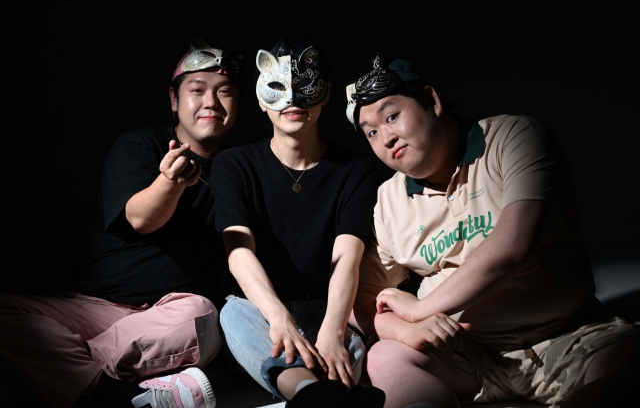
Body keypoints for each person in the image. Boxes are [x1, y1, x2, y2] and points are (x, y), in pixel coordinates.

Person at [345, 53, 640, 408]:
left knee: (627, 366)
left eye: (392, 117)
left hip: (569, 335)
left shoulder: (513, 137)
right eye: (372, 132)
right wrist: (406, 329)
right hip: (467, 354)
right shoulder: (389, 200)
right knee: (385, 357)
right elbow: (358, 301)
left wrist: (417, 309)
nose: (386, 138)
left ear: (432, 101)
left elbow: (512, 246)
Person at [0, 37, 245, 408]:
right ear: (175, 100)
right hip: (93, 309)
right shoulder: (139, 146)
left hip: (167, 318)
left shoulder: (240, 171)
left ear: (237, 104)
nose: (211, 102)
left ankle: (66, 374)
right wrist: (170, 182)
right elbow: (141, 218)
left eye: (224, 92)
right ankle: (120, 398)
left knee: (204, 315)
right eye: (198, 90)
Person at [211, 37, 385, 407]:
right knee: (232, 312)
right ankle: (311, 395)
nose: (292, 99)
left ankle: (319, 394)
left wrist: (333, 331)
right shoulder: (234, 165)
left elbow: (348, 257)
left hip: (333, 308)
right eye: (277, 87)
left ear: (325, 95)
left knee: (347, 334)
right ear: (260, 99)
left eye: (306, 86)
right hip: (262, 307)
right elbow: (238, 253)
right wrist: (278, 318)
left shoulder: (356, 171)